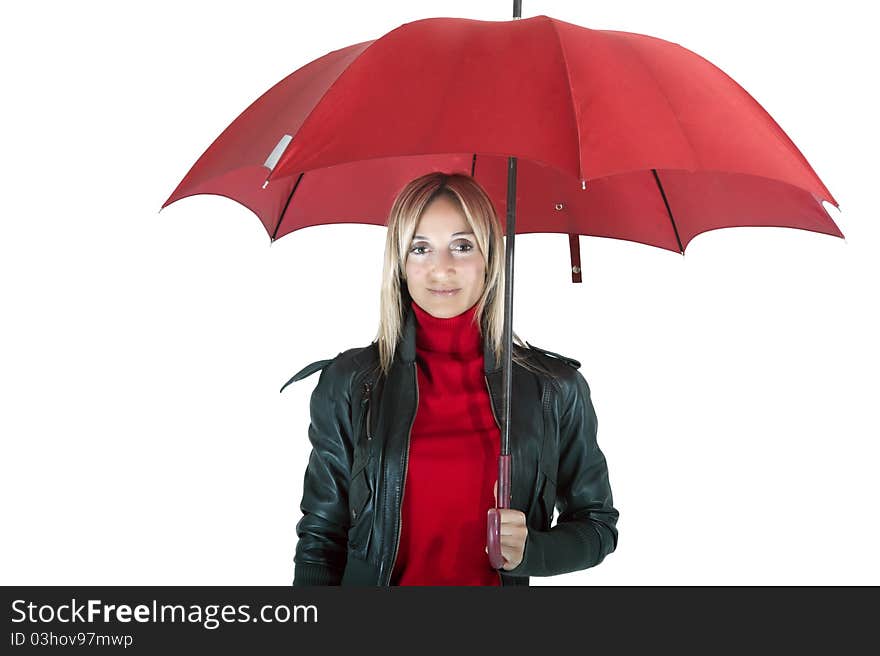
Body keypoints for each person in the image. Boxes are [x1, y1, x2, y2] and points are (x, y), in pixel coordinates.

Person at [281, 172, 618, 586]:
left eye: (462, 245)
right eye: (420, 248)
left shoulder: (554, 388)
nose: (442, 268)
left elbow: (597, 525)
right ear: (399, 264)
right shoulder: (351, 383)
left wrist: (535, 552)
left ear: (491, 258)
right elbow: (321, 537)